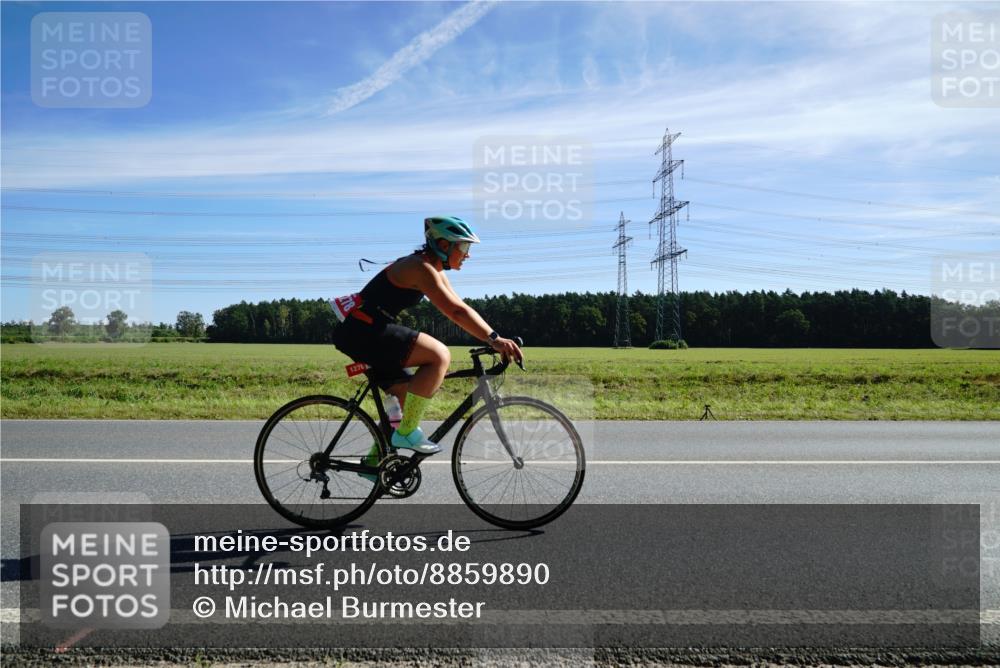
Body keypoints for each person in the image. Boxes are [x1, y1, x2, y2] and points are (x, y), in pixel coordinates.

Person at [331, 215, 523, 474]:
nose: (467, 255)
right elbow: (455, 312)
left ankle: (374, 463)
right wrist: (495, 340)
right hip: (363, 329)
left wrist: (492, 336)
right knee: (439, 355)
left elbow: (462, 306)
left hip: (363, 330)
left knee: (403, 395)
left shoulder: (433, 268)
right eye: (464, 247)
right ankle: (407, 432)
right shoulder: (420, 268)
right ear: (444, 245)